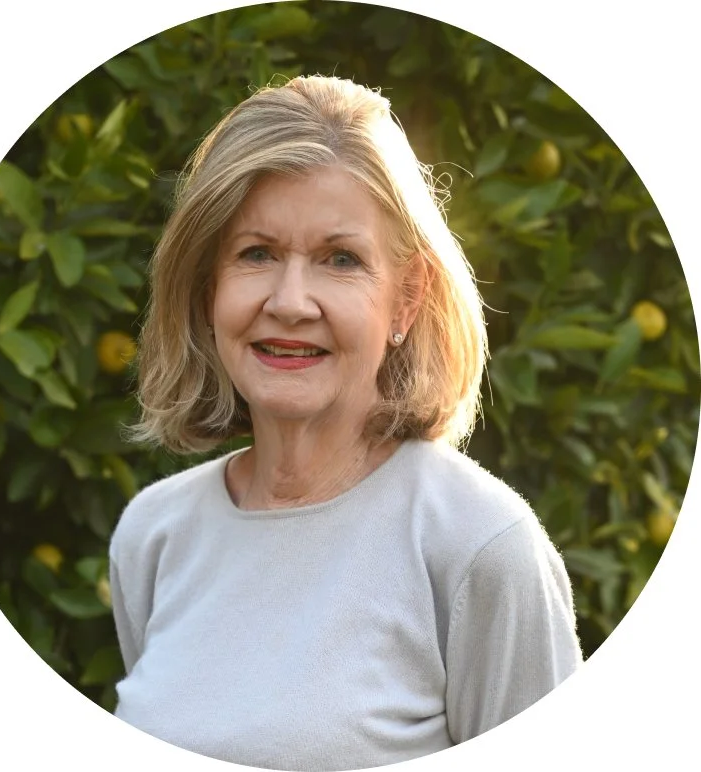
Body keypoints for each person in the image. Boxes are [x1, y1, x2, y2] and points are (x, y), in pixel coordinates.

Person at [109, 75, 583, 771]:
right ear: (209, 286)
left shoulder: (480, 547)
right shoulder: (153, 536)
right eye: (257, 253)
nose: (290, 302)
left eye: (341, 260)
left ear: (407, 299)